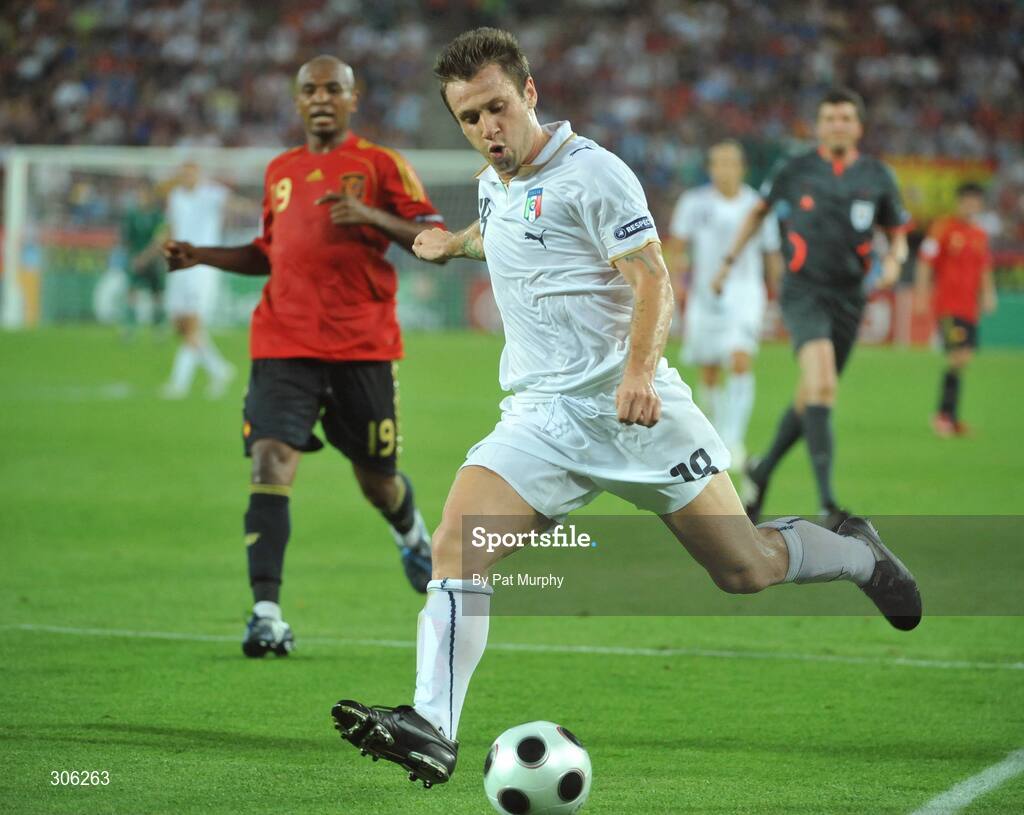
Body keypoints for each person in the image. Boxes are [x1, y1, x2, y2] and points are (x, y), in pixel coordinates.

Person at [328, 30, 921, 789]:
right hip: (541, 416)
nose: (488, 130)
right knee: (456, 544)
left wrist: (639, 370)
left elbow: (651, 278)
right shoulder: (491, 181)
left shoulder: (595, 173)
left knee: (743, 570)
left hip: (636, 411)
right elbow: (514, 233)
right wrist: (455, 245)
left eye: (498, 109)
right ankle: (434, 727)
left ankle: (857, 551)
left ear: (530, 92)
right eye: (470, 118)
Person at [163, 55, 446, 657]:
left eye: (333, 89)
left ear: (353, 97)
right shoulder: (281, 171)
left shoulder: (380, 164)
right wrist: (203, 255)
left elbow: (435, 239)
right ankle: (266, 615)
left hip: (361, 348)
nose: (321, 97)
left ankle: (412, 535)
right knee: (269, 462)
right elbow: (271, 251)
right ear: (298, 101)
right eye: (310, 89)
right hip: (282, 343)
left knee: (379, 482)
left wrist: (369, 215)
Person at [714, 88, 910, 528]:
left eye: (846, 118)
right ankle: (828, 504)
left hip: (850, 297)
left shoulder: (877, 175)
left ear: (858, 126)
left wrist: (895, 259)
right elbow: (757, 213)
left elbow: (897, 229)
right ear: (819, 126)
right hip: (802, 292)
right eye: (830, 118)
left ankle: (761, 473)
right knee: (822, 386)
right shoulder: (795, 168)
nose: (838, 124)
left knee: (811, 395)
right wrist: (728, 263)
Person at [666, 140, 783, 470]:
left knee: (739, 358)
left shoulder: (757, 206)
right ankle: (714, 437)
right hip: (705, 294)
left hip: (745, 291)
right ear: (710, 168)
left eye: (731, 163)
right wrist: (677, 284)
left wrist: (778, 293)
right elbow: (678, 246)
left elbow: (771, 252)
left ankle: (733, 440)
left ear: (742, 168)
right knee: (709, 370)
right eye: (718, 163)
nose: (724, 169)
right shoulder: (693, 202)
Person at [914, 182, 998, 437]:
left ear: (980, 204)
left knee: (964, 358)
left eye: (975, 201)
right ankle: (944, 416)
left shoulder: (979, 234)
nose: (971, 206)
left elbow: (984, 267)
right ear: (959, 202)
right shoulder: (943, 228)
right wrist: (921, 294)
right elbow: (926, 262)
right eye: (967, 201)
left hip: (969, 307)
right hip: (948, 305)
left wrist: (989, 293)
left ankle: (949, 417)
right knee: (958, 355)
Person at [161, 161, 237, 399]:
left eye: (190, 173)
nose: (187, 177)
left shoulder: (212, 193)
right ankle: (220, 369)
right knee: (178, 323)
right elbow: (173, 228)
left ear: (199, 175)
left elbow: (234, 203)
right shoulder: (175, 196)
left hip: (202, 266)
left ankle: (178, 384)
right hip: (179, 265)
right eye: (183, 173)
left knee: (192, 324)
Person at [119, 179, 167, 339]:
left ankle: (158, 328)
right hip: (136, 259)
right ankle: (130, 328)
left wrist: (145, 257)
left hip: (152, 260)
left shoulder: (157, 216)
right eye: (139, 194)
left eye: (144, 194)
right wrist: (132, 257)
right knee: (132, 292)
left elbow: (159, 240)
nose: (141, 197)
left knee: (157, 294)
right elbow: (127, 239)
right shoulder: (132, 215)